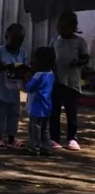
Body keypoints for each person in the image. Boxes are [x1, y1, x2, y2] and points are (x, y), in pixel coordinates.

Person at [51, 12, 89, 150]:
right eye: (59, 27)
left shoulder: (80, 42)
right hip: (56, 81)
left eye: (64, 27)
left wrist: (78, 62)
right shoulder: (55, 41)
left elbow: (86, 58)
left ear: (73, 27)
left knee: (71, 112)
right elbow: (49, 56)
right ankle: (54, 138)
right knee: (54, 112)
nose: (61, 30)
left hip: (72, 82)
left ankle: (72, 138)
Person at [0, 23, 28, 150]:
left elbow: (26, 69)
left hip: (14, 92)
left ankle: (12, 138)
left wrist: (23, 72)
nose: (17, 43)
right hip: (1, 92)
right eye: (14, 39)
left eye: (20, 40)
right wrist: (6, 66)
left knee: (14, 115)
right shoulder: (0, 51)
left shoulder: (22, 53)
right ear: (7, 37)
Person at [24, 46, 56, 156]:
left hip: (36, 107)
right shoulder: (51, 74)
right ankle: (47, 147)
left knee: (35, 129)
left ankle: (34, 147)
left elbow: (29, 88)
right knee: (45, 129)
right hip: (47, 107)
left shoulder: (38, 75)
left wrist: (27, 78)